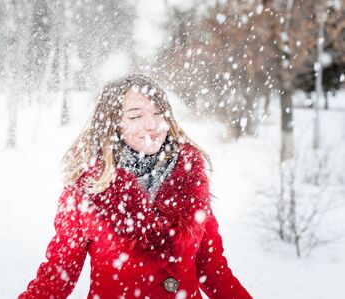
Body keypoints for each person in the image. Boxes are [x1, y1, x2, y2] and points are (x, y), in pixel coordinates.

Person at [18, 74, 252, 299]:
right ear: (114, 124)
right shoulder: (88, 188)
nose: (152, 125)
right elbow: (57, 277)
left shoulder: (190, 179)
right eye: (135, 116)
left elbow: (214, 272)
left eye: (158, 113)